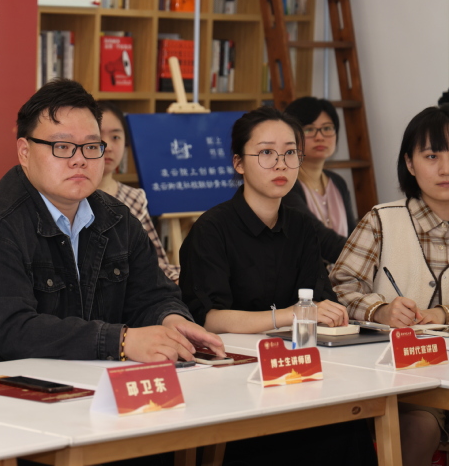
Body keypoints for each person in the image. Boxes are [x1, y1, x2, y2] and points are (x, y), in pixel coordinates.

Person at [0, 79, 224, 371]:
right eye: (62, 147)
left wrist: (171, 320)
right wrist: (120, 341)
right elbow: (15, 331)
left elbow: (153, 296)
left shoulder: (117, 219)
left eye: (91, 146)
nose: (79, 160)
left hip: (78, 382)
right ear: (24, 152)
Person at [179, 107, 372, 466]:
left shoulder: (302, 227)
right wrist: (290, 315)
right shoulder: (211, 229)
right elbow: (210, 319)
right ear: (239, 163)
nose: (281, 164)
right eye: (266, 152)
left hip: (296, 367)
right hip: (234, 376)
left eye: (290, 153)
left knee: (349, 420)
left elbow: (318, 301)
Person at [332, 105, 449, 466]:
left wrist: (443, 313)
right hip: (398, 377)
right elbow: (338, 290)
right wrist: (380, 310)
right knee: (420, 427)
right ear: (410, 164)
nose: (445, 168)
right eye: (432, 156)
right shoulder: (382, 221)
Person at [97, 101, 179, 281]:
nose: (108, 146)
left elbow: (156, 263)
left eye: (116, 137)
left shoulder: (134, 198)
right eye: (98, 136)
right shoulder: (70, 197)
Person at [282, 97, 356, 263]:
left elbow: (353, 236)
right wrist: (365, 255)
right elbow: (316, 238)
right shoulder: (285, 183)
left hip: (342, 275)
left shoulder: (337, 182)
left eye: (327, 128)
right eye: (309, 129)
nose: (320, 137)